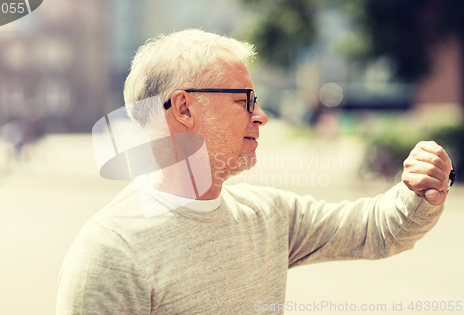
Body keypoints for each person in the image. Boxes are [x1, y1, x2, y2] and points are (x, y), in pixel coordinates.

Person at [56, 29, 453, 314]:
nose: (260, 117)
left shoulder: (267, 215)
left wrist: (419, 189)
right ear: (183, 108)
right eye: (243, 100)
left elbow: (376, 231)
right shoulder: (110, 253)